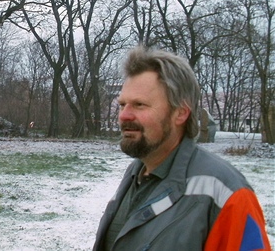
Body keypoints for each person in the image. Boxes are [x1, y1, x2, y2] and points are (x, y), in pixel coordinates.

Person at [93, 46, 271, 251]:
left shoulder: (227, 195)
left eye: (139, 105)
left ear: (180, 114)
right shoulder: (136, 174)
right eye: (123, 104)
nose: (124, 115)